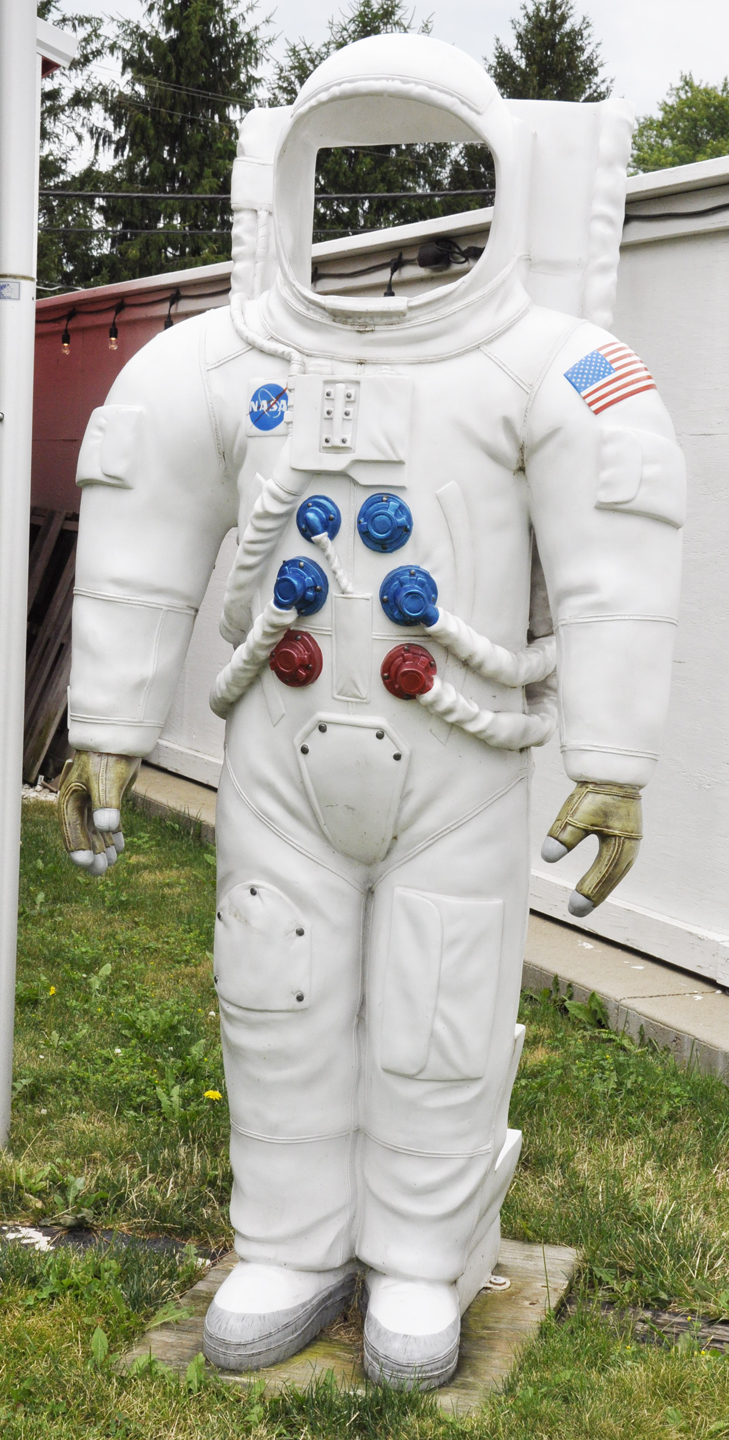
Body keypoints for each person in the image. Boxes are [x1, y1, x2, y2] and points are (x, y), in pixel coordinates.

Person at [58, 34, 683, 1389]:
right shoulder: (211, 363)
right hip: (280, 757)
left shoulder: (553, 367)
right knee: (269, 991)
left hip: (457, 764)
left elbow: (617, 559)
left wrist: (614, 756)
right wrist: (105, 727)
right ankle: (285, 1244)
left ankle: (416, 1258)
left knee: (439, 1008)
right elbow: (138, 535)